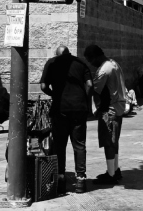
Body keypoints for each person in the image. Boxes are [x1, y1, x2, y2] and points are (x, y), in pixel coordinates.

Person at [41, 46, 92, 194]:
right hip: (79, 109)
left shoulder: (51, 63)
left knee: (59, 145)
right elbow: (89, 85)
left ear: (56, 54)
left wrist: (54, 95)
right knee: (79, 145)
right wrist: (84, 99)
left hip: (60, 109)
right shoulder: (81, 63)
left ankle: (61, 180)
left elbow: (44, 86)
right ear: (69, 53)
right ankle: (81, 181)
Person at [83, 44, 126, 185]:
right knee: (114, 142)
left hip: (110, 110)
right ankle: (115, 169)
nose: (91, 64)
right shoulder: (113, 63)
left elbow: (94, 89)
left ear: (95, 56)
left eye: (90, 60)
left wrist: (90, 107)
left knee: (108, 142)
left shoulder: (104, 70)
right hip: (118, 108)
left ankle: (111, 174)